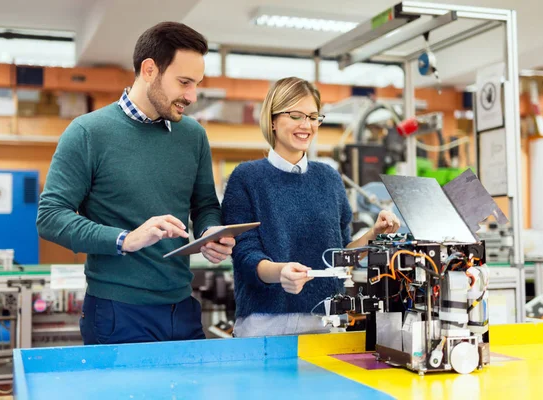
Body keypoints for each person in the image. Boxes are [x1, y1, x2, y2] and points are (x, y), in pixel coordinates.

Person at [37, 22, 235, 345]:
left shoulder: (193, 136)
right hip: (117, 312)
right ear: (149, 70)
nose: (192, 96)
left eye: (196, 84)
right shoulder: (88, 133)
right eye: (184, 82)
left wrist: (211, 231)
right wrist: (124, 240)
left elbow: (205, 206)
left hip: (182, 309)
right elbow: (50, 216)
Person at [221, 77, 400, 337]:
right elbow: (245, 257)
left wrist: (375, 234)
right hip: (266, 324)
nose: (306, 125)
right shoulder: (247, 177)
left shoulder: (329, 178)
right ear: (272, 119)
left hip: (326, 322)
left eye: (313, 116)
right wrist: (280, 273)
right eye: (295, 115)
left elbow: (343, 253)